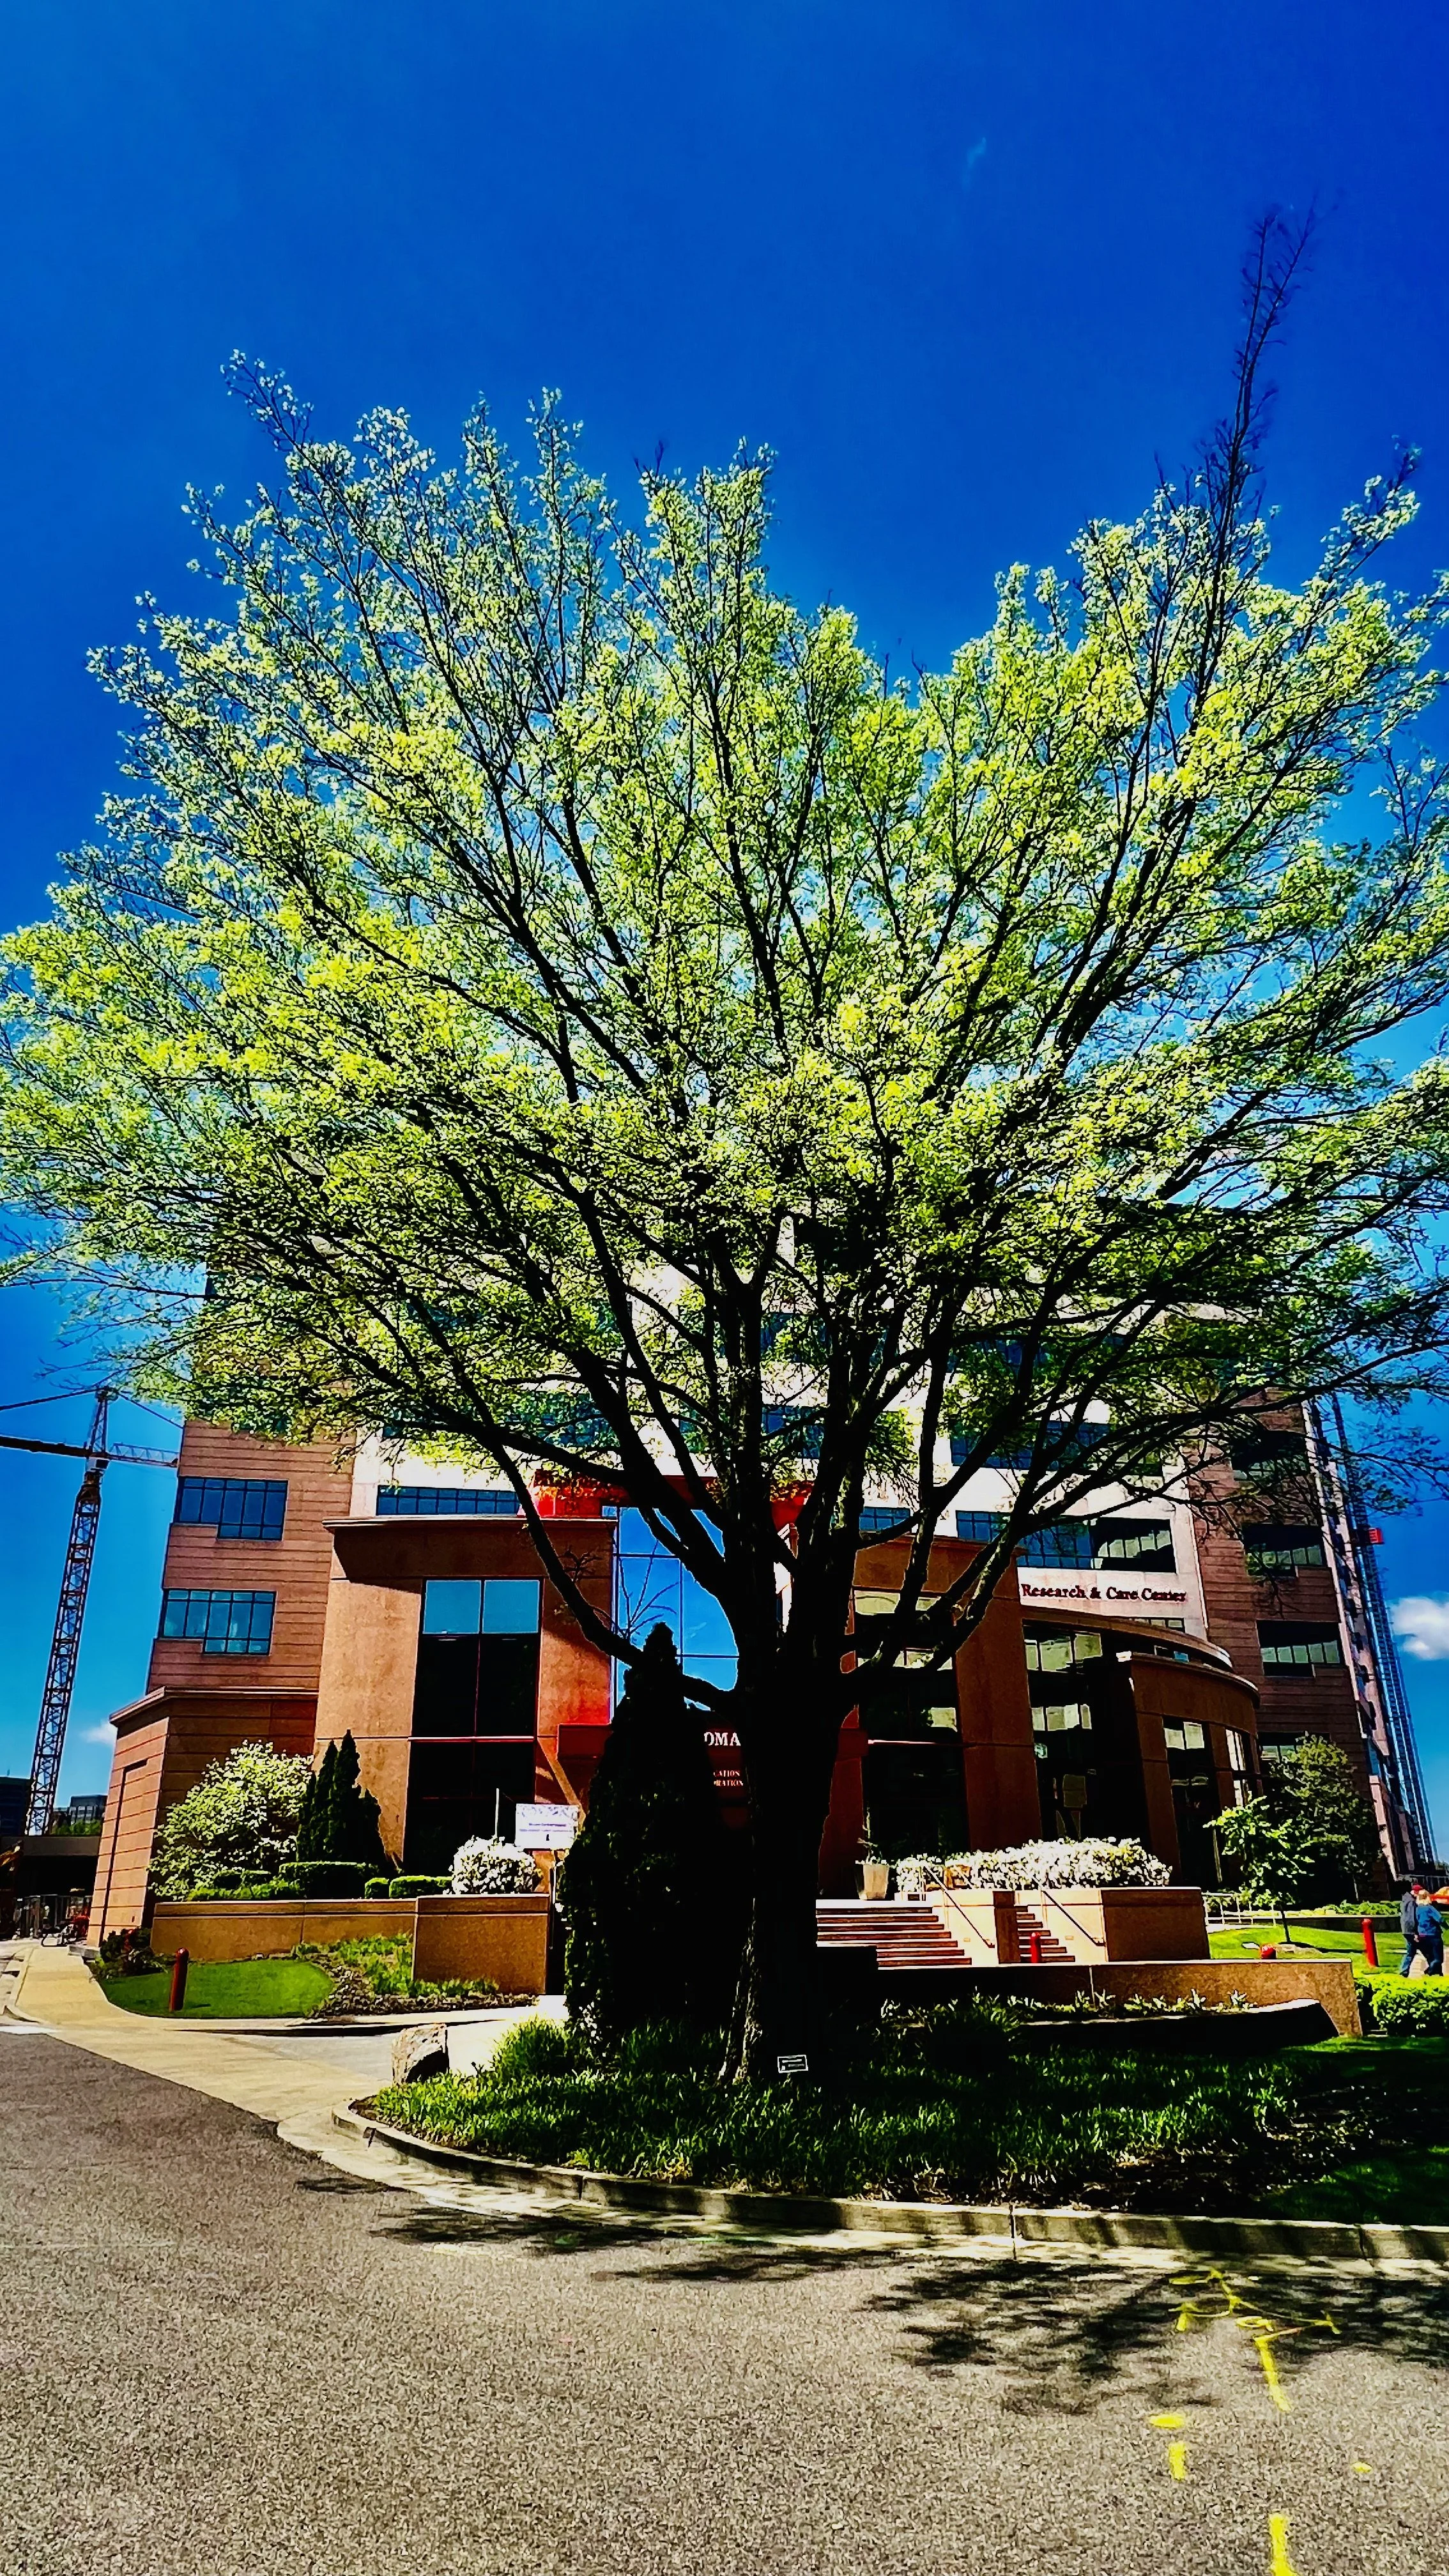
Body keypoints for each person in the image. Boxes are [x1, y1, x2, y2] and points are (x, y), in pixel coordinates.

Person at [1417, 1888, 1445, 1979]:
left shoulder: (1418, 1909)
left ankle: (1438, 1975)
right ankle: (1429, 1972)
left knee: (1431, 1958)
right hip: (1433, 1935)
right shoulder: (1429, 1908)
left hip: (1422, 1936)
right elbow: (1440, 1919)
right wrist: (1447, 1927)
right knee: (1438, 1958)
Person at [1400, 1883, 1424, 1977]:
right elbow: (1411, 1918)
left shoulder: (1406, 1899)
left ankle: (1404, 1971)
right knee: (1417, 1951)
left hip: (1406, 1929)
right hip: (1410, 1930)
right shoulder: (1411, 1902)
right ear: (1415, 1892)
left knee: (1412, 1951)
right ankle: (1433, 1968)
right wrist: (1415, 1932)